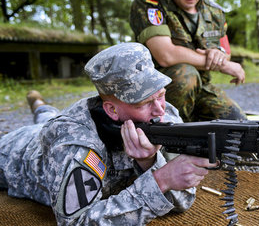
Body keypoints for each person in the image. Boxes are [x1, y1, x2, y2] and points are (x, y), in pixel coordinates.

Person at [0, 43, 217, 225]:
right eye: (145, 102)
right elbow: (77, 221)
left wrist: (150, 162)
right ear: (112, 110)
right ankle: (38, 103)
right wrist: (160, 180)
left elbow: (183, 199)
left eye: (161, 94)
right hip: (15, 151)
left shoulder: (162, 114)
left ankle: (40, 105)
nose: (160, 109)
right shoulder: (73, 143)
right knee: (46, 123)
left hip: (51, 128)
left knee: (46, 115)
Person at [129, 0, 246, 122]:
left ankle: (190, 126)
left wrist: (217, 55)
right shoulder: (150, 1)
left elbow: (226, 53)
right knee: (186, 75)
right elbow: (165, 54)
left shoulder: (215, 13)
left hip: (201, 88)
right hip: (156, 91)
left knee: (237, 123)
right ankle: (165, 134)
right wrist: (223, 65)